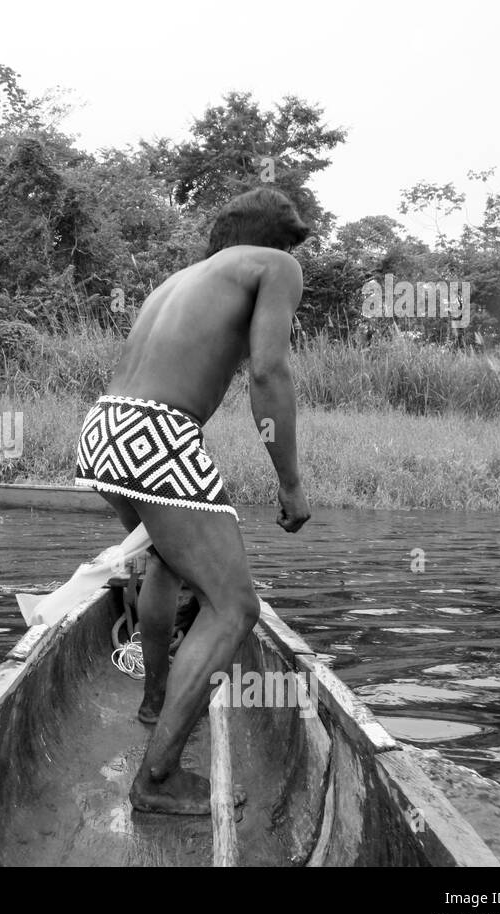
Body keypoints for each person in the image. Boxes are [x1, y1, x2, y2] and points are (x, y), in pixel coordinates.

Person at [74, 187, 312, 814]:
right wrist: (290, 485)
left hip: (103, 426)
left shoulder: (177, 280)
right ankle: (158, 780)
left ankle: (156, 704)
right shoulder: (274, 265)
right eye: (293, 245)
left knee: (165, 563)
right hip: (156, 432)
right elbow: (268, 372)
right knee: (233, 606)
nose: (294, 261)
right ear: (276, 239)